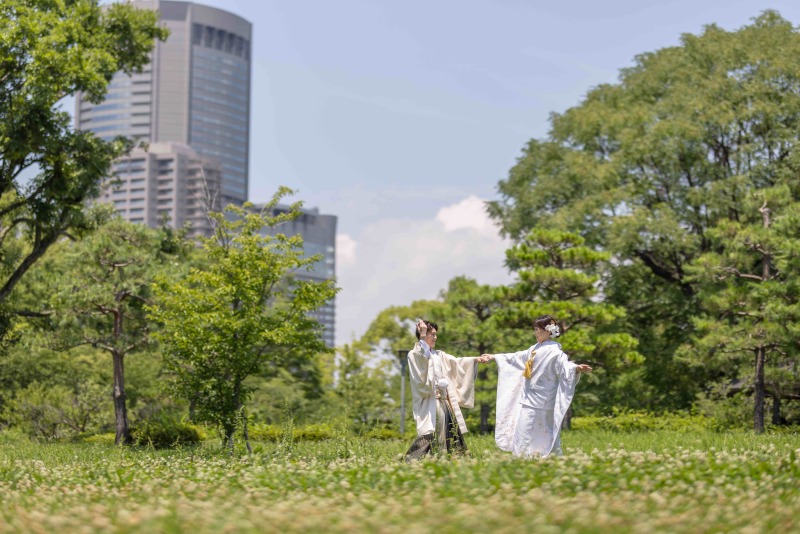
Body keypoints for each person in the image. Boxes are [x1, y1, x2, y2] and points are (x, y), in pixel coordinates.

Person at [476, 315, 592, 458]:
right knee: (523, 429)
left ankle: (550, 457)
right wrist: (494, 356)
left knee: (545, 431)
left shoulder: (555, 352)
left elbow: (564, 367)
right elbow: (516, 357)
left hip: (545, 399)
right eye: (535, 329)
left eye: (538, 329)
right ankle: (522, 457)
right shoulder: (534, 349)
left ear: (548, 331)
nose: (535, 333)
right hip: (528, 398)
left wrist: (576, 368)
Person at [404, 319, 484, 462]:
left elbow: (457, 363)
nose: (435, 337)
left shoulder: (439, 354)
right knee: (428, 432)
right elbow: (422, 362)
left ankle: (452, 461)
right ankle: (412, 462)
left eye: (436, 334)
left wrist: (474, 360)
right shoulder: (414, 354)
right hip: (428, 401)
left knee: (451, 433)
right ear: (423, 334)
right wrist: (422, 334)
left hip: (443, 402)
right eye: (432, 334)